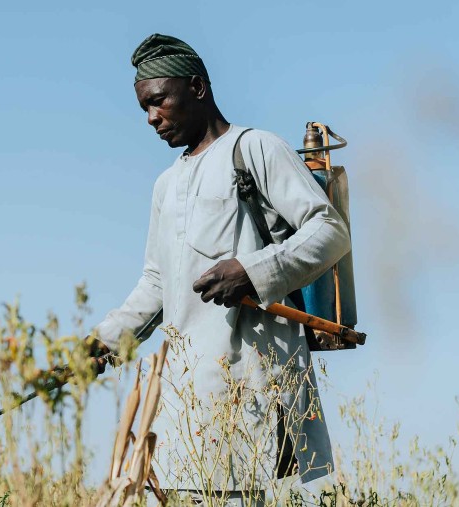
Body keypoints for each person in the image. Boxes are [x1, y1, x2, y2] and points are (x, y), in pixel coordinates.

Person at [89, 34, 352, 505]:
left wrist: (252, 271)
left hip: (249, 388)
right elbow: (157, 283)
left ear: (197, 88)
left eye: (158, 101)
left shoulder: (255, 150)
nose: (151, 118)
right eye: (143, 109)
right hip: (181, 407)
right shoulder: (165, 185)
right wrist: (104, 340)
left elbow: (329, 231)